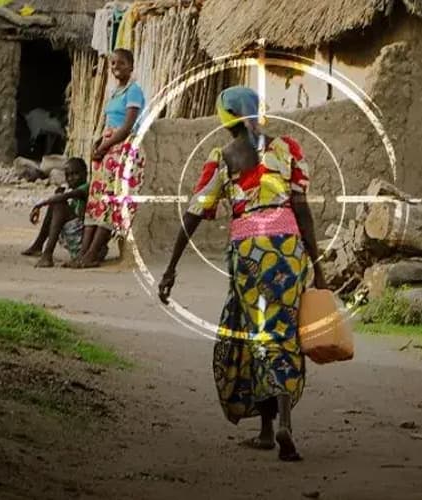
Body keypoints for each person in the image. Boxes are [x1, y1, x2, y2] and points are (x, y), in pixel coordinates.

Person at [157, 86, 328, 462]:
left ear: (225, 117)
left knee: (255, 334)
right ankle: (277, 424)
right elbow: (302, 209)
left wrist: (170, 268)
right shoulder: (287, 148)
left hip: (249, 252)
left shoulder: (223, 157)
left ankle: (271, 429)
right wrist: (319, 267)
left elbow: (194, 213)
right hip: (287, 251)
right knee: (282, 333)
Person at [69, 48, 145, 268]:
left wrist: (104, 145)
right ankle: (82, 253)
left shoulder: (134, 91)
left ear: (131, 67)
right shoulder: (114, 93)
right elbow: (109, 124)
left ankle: (92, 254)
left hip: (122, 150)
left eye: (121, 64)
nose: (116, 68)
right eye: (113, 64)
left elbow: (127, 126)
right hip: (108, 150)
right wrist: (98, 143)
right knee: (96, 202)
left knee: (110, 202)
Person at [22, 158, 90, 268]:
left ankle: (47, 254)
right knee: (56, 203)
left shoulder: (85, 188)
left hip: (83, 242)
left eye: (75, 174)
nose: (71, 178)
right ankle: (39, 245)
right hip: (75, 237)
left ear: (85, 174)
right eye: (68, 175)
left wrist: (40, 205)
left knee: (59, 204)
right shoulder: (72, 190)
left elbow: (66, 197)